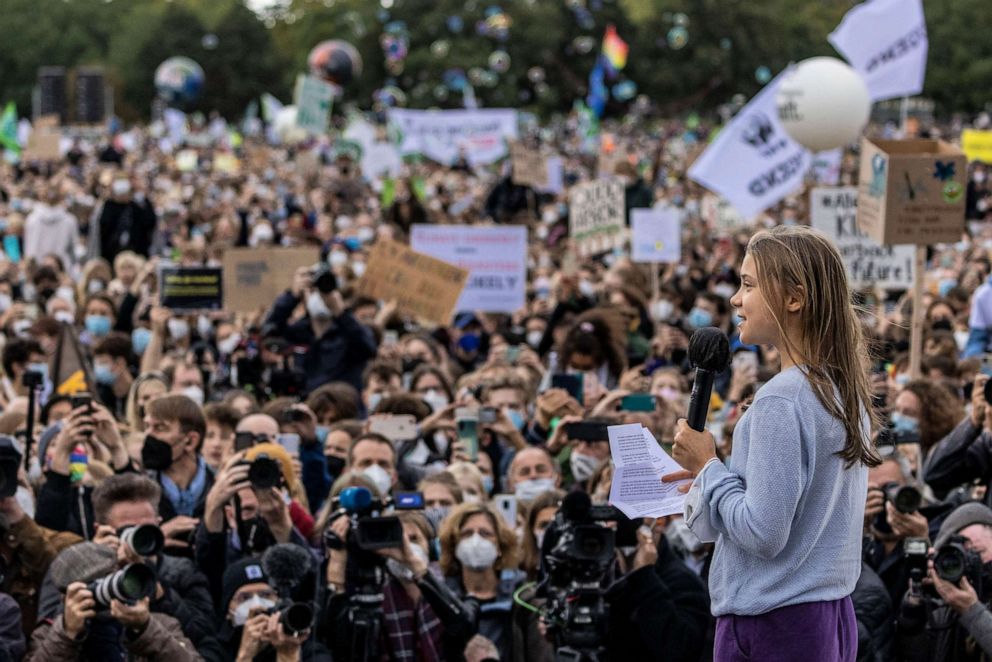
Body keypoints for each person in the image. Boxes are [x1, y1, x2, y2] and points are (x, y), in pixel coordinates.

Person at [668, 226, 880, 661]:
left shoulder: (782, 400)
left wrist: (708, 466)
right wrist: (712, 481)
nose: (735, 299)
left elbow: (764, 533)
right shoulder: (842, 389)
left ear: (794, 299)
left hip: (772, 623)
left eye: (748, 285)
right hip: (826, 615)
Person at [897, 502, 992, 661]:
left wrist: (972, 611)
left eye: (979, 552)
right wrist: (913, 610)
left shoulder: (962, 606)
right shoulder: (944, 609)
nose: (972, 562)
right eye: (959, 556)